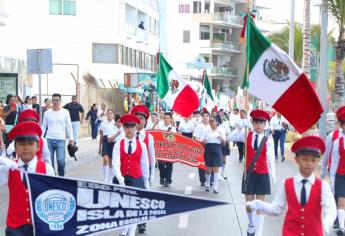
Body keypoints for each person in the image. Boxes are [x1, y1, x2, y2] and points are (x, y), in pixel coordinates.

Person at [246, 136, 337, 236]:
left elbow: (331, 209)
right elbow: (276, 209)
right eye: (305, 159)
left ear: (318, 161)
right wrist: (258, 204)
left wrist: (327, 223)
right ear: (296, 159)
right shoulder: (287, 184)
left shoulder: (323, 186)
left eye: (313, 160)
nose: (309, 163)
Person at [0, 121, 55, 236]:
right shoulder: (9, 168)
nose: (26, 148)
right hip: (15, 226)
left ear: (38, 146)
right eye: (21, 144)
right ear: (15, 147)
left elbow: (52, 196)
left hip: (41, 224)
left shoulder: (47, 169)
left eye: (30, 143)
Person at [112, 114, 149, 236]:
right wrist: (120, 179)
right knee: (122, 208)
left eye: (132, 126)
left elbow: (144, 165)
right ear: (123, 128)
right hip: (121, 178)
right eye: (126, 126)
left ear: (136, 127)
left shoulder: (142, 145)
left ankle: (130, 233)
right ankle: (124, 230)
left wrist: (146, 183)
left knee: (133, 208)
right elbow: (115, 163)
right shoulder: (118, 144)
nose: (129, 129)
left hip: (136, 179)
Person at [242, 109, 276, 236]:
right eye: (256, 122)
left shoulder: (269, 139)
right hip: (249, 174)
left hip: (262, 173)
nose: (258, 125)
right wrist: (241, 125)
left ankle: (259, 232)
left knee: (260, 205)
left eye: (261, 122)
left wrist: (273, 174)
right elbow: (229, 137)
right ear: (252, 123)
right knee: (249, 204)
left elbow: (271, 158)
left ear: (265, 124)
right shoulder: (247, 134)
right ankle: (251, 224)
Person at [131, 105, 156, 234]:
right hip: (130, 172)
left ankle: (142, 223)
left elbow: (152, 158)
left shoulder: (149, 137)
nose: (139, 120)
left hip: (143, 173)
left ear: (146, 121)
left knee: (143, 198)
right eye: (137, 118)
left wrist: (151, 176)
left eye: (142, 118)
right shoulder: (128, 135)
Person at [41, 93, 74, 176]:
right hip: (49, 139)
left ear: (60, 101)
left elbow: (69, 126)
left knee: (61, 161)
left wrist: (71, 138)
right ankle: (52, 178)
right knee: (49, 161)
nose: (55, 102)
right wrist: (40, 138)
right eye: (54, 100)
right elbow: (44, 126)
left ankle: (61, 178)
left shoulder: (65, 112)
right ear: (52, 101)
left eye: (57, 100)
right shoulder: (47, 113)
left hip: (61, 140)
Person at [329, 108, 345, 236]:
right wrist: (332, 181)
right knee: (341, 200)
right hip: (340, 174)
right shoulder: (336, 139)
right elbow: (333, 162)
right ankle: (342, 227)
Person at [202, 115, 226, 193]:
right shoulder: (206, 130)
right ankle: (208, 184)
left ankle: (215, 187)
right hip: (208, 148)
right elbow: (203, 140)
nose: (211, 122)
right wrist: (204, 141)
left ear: (216, 122)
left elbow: (224, 142)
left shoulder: (221, 130)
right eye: (210, 121)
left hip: (217, 149)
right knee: (208, 169)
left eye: (212, 121)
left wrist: (221, 138)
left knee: (216, 169)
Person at [157, 112, 176, 187]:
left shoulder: (173, 128)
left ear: (171, 119)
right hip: (161, 148)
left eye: (168, 118)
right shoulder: (160, 126)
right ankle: (162, 176)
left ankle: (168, 180)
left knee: (169, 164)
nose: (166, 119)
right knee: (161, 164)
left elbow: (174, 139)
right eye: (165, 118)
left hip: (170, 148)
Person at [193, 110, 212, 186]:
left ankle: (210, 179)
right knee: (201, 163)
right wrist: (201, 141)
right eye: (204, 116)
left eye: (207, 116)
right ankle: (202, 179)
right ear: (202, 117)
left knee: (210, 163)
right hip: (200, 146)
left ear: (209, 117)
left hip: (210, 146)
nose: (205, 117)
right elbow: (195, 137)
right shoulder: (199, 126)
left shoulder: (211, 125)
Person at [98, 109, 115, 183]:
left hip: (113, 141)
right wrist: (99, 147)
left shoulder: (115, 123)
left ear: (113, 115)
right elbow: (101, 136)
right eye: (108, 113)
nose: (109, 114)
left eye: (111, 113)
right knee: (105, 159)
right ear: (106, 115)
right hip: (105, 141)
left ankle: (110, 179)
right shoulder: (103, 123)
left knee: (111, 161)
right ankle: (105, 178)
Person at [219, 110, 231, 180]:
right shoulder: (217, 124)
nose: (221, 117)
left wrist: (229, 145)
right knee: (219, 159)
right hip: (218, 143)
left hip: (224, 143)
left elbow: (228, 135)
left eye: (222, 115)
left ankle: (223, 172)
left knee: (224, 160)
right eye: (219, 116)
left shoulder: (226, 123)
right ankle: (219, 174)